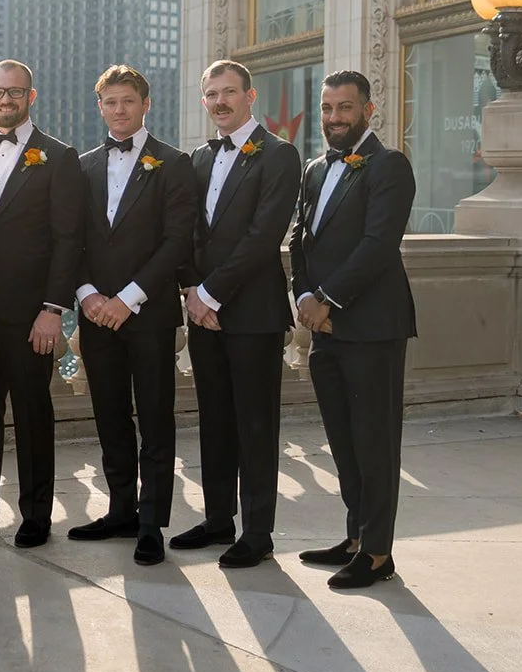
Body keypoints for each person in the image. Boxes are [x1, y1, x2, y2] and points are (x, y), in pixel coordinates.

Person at [290, 70, 417, 590]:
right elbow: (300, 239)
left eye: (345, 108)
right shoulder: (316, 168)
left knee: (375, 441)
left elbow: (377, 245)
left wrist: (327, 299)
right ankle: (355, 538)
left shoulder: (390, 166)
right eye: (327, 108)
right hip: (325, 329)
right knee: (343, 441)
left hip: (372, 327)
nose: (334, 118)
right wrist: (303, 295)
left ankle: (379, 553)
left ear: (368, 110)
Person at [175, 60, 302, 569]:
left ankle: (258, 531)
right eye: (212, 94)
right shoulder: (197, 159)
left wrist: (210, 294)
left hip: (252, 314)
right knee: (215, 422)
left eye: (229, 92)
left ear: (251, 97)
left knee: (255, 424)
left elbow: (263, 237)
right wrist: (190, 290)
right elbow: (184, 231)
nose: (220, 101)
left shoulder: (280, 155)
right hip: (201, 312)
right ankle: (217, 520)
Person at [69, 65, 194, 565]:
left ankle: (150, 523)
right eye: (110, 102)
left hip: (150, 314)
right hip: (96, 314)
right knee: (110, 415)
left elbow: (177, 241)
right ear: (99, 107)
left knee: (156, 419)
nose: (119, 110)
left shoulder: (175, 163)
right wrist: (87, 294)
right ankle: (120, 508)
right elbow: (70, 239)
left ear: (145, 104)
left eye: (128, 101)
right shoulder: (81, 166)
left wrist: (129, 298)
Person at [0, 60, 84, 549]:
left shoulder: (58, 156)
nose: (6, 100)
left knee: (33, 412)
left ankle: (35, 512)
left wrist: (53, 308)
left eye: (16, 92)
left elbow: (68, 239)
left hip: (31, 310)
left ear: (32, 97)